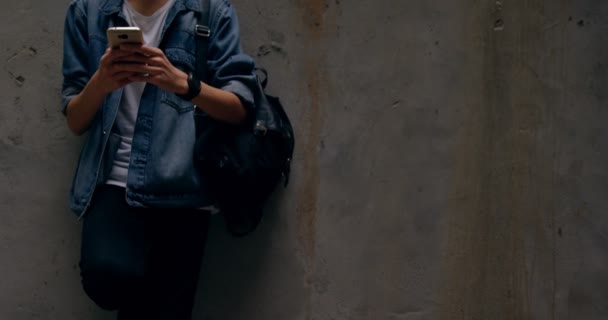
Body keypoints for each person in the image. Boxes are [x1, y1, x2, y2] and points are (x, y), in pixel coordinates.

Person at [61, 0, 257, 318]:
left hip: (184, 187)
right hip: (115, 181)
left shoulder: (210, 11)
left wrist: (184, 84)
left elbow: (239, 109)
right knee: (105, 276)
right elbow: (75, 120)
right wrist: (101, 82)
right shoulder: (89, 11)